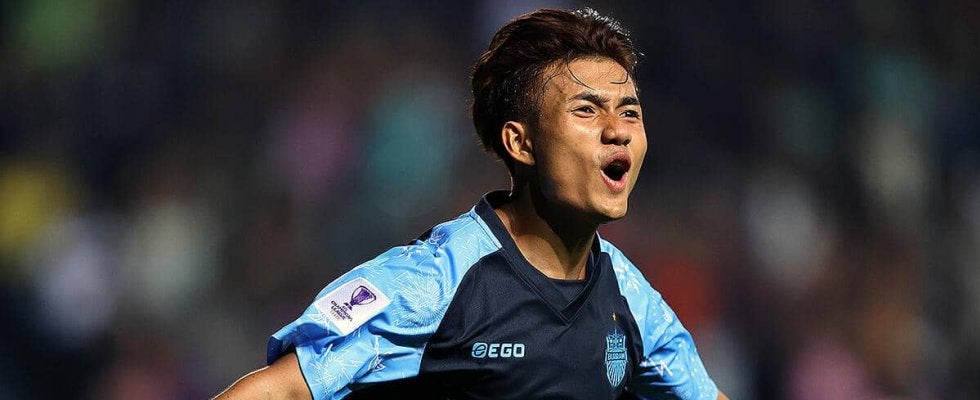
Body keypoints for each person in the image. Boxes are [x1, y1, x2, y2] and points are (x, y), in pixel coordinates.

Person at [214, 7, 728, 400]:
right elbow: (282, 390)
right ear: (520, 143)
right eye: (587, 110)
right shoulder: (434, 283)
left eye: (630, 112)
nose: (618, 130)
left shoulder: (631, 299)